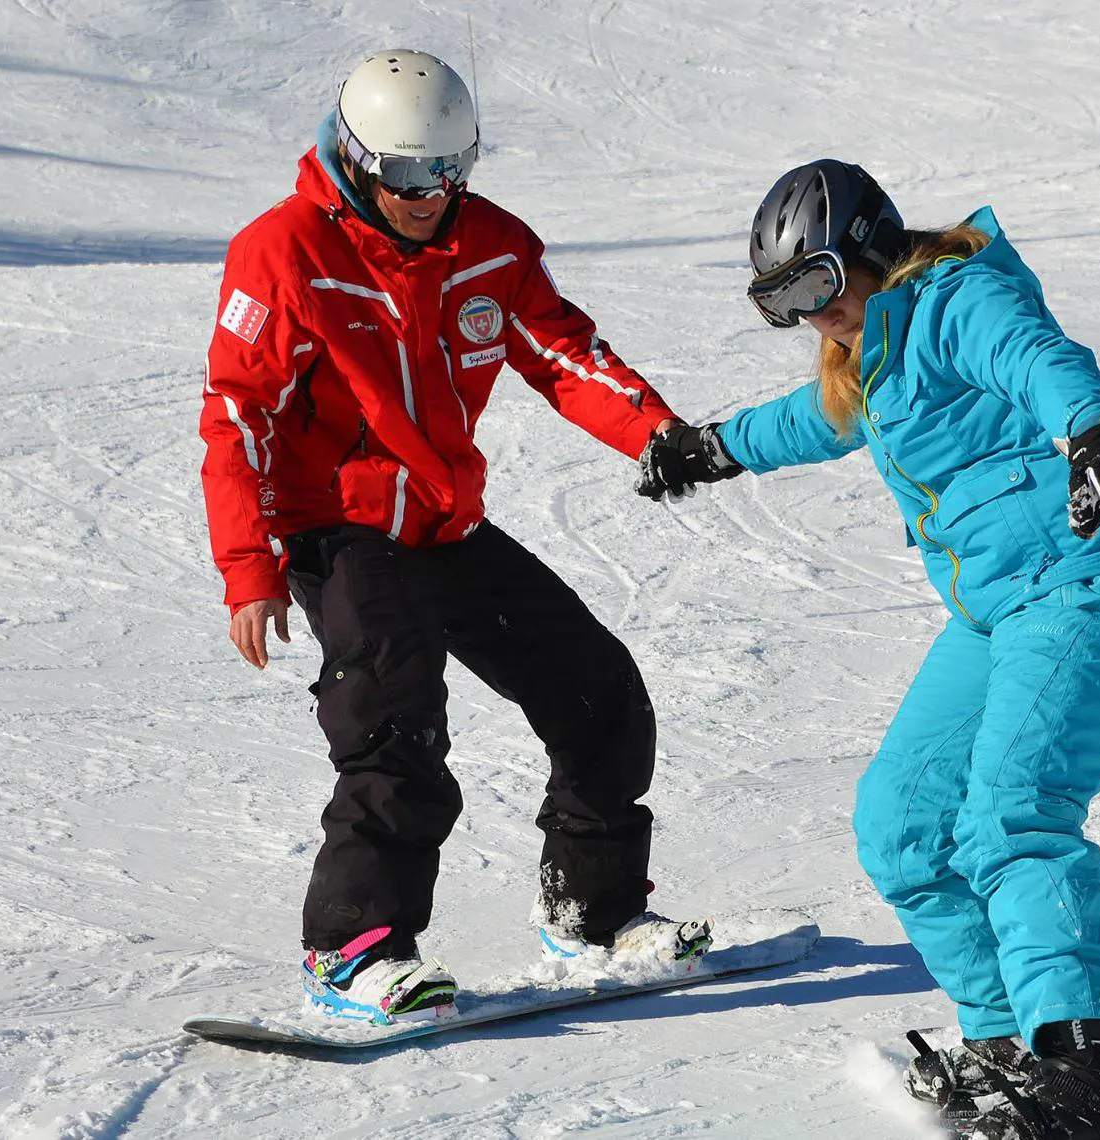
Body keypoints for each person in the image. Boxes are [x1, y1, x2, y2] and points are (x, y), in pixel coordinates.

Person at [640, 160, 1100, 1140]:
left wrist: (1092, 428)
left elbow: (1037, 358)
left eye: (813, 286)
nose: (809, 317)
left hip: (1087, 579)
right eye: (781, 303)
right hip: (998, 608)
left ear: (865, 247)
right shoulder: (872, 361)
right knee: (901, 822)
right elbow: (814, 420)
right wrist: (714, 446)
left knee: (1012, 815)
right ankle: (1009, 1047)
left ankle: (1098, 1072)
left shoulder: (956, 297)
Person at [200, 49, 711, 1025]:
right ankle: (354, 948)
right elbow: (239, 417)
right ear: (355, 159)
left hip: (441, 518)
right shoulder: (284, 253)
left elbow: (564, 353)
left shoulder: (490, 244)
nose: (431, 195)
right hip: (335, 524)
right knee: (396, 720)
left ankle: (592, 909)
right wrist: (247, 568)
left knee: (599, 691)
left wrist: (656, 433)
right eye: (405, 175)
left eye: (452, 168)